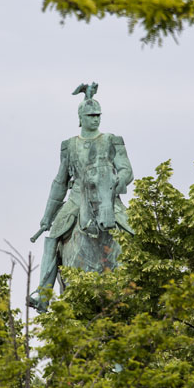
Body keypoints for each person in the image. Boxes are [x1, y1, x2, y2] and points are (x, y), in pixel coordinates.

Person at [28, 83, 133, 312]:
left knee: (135, 233)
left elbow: (126, 170)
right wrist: (47, 217)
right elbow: (60, 182)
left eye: (98, 115)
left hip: (108, 197)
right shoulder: (69, 146)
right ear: (81, 118)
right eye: (91, 115)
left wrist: (118, 181)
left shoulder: (112, 140)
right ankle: (43, 294)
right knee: (54, 237)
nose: (95, 119)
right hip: (77, 199)